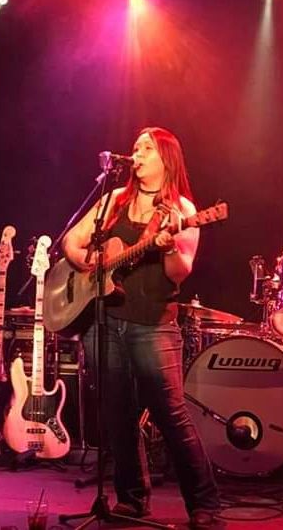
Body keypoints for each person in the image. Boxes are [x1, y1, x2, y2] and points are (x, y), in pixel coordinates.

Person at [62, 126, 222, 529]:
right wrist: (91, 265)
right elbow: (70, 242)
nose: (136, 154)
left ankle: (204, 505)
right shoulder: (114, 199)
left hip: (153, 324)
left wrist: (167, 248)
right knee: (117, 416)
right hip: (105, 320)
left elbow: (180, 272)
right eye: (135, 147)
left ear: (166, 158)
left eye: (145, 148)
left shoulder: (182, 209)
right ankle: (132, 501)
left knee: (171, 415)